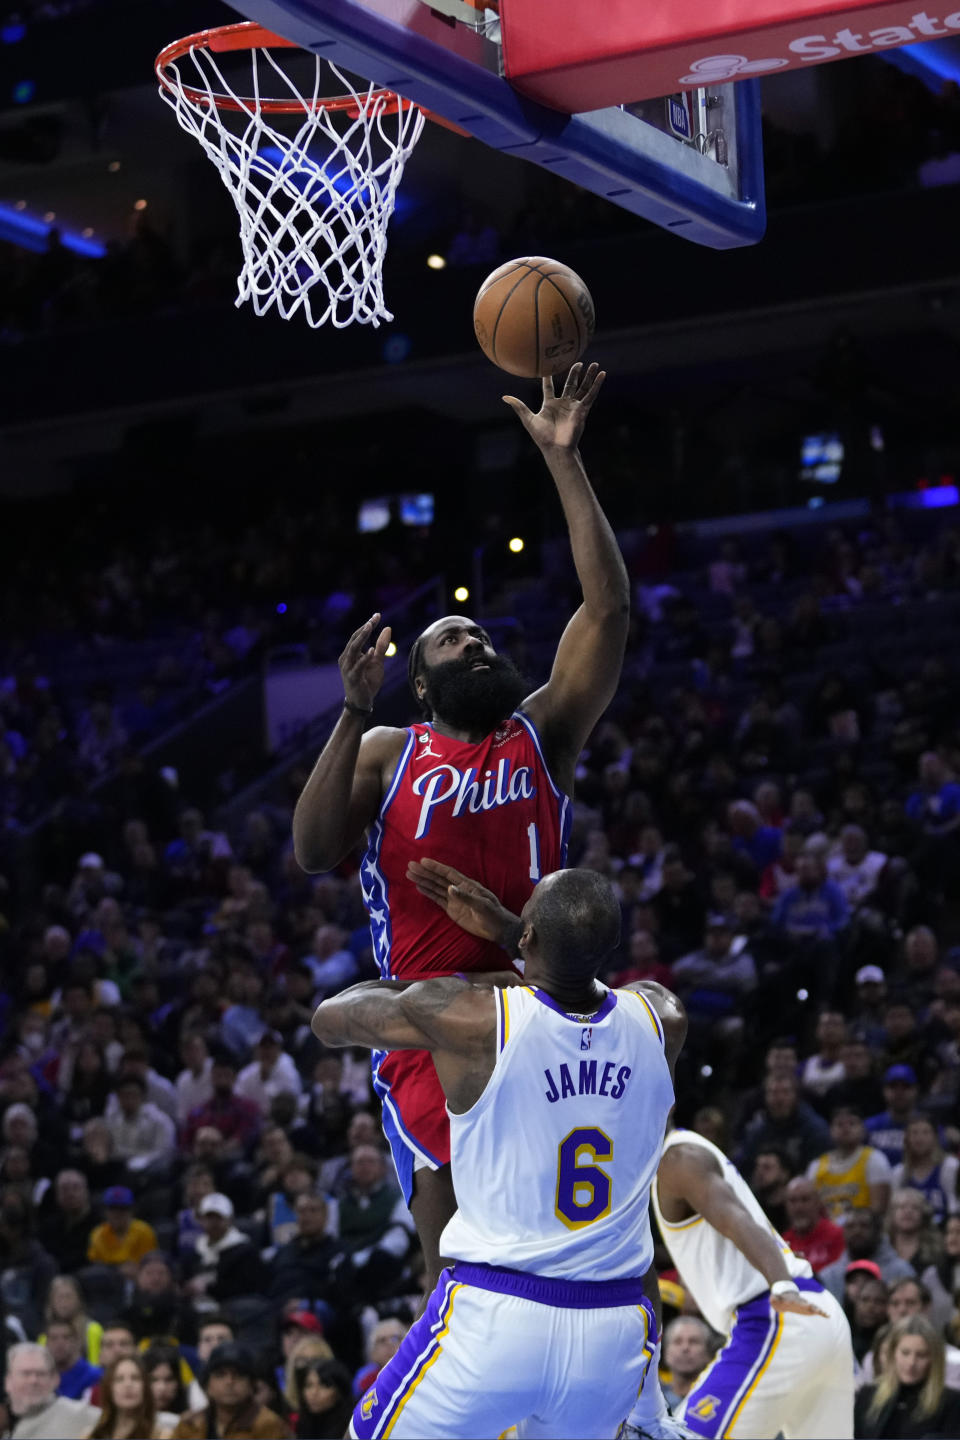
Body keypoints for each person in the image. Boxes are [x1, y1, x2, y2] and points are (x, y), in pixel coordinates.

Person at [293, 363, 629, 1288]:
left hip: (543, 1002)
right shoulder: (390, 747)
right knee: (458, 1276)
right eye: (451, 640)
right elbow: (314, 851)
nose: (474, 640)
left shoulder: (542, 732)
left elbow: (608, 611)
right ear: (424, 683)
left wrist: (563, 462)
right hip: (432, 1019)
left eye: (479, 633)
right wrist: (352, 711)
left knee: (565, 1254)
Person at [311, 867, 683, 1439]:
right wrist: (520, 933)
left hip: (499, 1313)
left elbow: (331, 1020)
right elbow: (582, 973)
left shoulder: (475, 1017)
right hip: (612, 1333)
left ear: (529, 937)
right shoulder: (662, 1017)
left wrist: (476, 965)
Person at [639, 1127, 855, 1440]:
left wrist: (781, 1284)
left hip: (775, 1314)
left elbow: (733, 1217)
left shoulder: (677, 1158)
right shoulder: (674, 1159)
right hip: (817, 1312)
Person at [854, 1315, 960, 1438]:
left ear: (933, 1359)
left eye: (921, 1355)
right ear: (893, 1353)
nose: (911, 1363)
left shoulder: (951, 1403)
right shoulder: (867, 1395)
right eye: (905, 1353)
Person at [172, 1342, 292, 1439]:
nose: (229, 1382)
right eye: (220, 1375)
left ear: (252, 1384)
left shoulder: (268, 1425)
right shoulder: (190, 1423)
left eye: (239, 1374)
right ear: (207, 1385)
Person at [807, 1107, 893, 1222]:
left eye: (852, 1123)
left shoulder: (874, 1159)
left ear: (863, 1129)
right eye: (839, 1124)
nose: (845, 1128)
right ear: (830, 1130)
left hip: (863, 1230)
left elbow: (879, 1209)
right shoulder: (816, 1166)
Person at [6, 1342, 100, 1440]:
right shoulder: (8, 1423)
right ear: (8, 1381)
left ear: (55, 1380)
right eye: (25, 1373)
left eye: (41, 1374)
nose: (33, 1380)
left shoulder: (82, 1415)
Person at [85, 1354, 177, 1439]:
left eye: (135, 1378)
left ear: (145, 1387)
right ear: (109, 1389)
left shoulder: (163, 1436)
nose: (128, 1384)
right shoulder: (91, 1435)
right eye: (119, 1379)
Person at [890, 1114, 960, 1224]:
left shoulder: (950, 1166)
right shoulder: (899, 1173)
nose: (919, 1138)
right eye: (914, 1133)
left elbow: (955, 1209)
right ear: (906, 1139)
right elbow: (893, 1211)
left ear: (935, 1137)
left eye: (925, 1132)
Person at [782, 1176, 846, 1274]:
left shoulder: (836, 1235)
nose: (799, 1207)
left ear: (817, 1202)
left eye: (805, 1200)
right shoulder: (784, 1242)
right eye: (793, 1201)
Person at [86, 1188, 158, 1276]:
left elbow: (150, 1264)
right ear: (105, 1212)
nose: (117, 1214)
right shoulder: (98, 1233)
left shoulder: (144, 1232)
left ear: (132, 1210)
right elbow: (96, 1264)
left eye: (122, 1209)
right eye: (112, 1208)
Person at [290, 1358, 354, 1440]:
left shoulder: (352, 1426)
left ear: (340, 1391)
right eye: (309, 1385)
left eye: (324, 1385)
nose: (314, 1393)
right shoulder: (301, 1422)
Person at [660, 1318, 714, 1411]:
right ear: (665, 1352)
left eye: (694, 1341)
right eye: (677, 1341)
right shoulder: (651, 1398)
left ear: (708, 1354)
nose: (685, 1348)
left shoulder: (717, 1401)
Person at [45, 1319, 101, 1401]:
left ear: (77, 1342)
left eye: (66, 1337)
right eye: (53, 1338)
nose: (60, 1343)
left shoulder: (96, 1376)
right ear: (46, 1343)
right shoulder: (38, 1377)